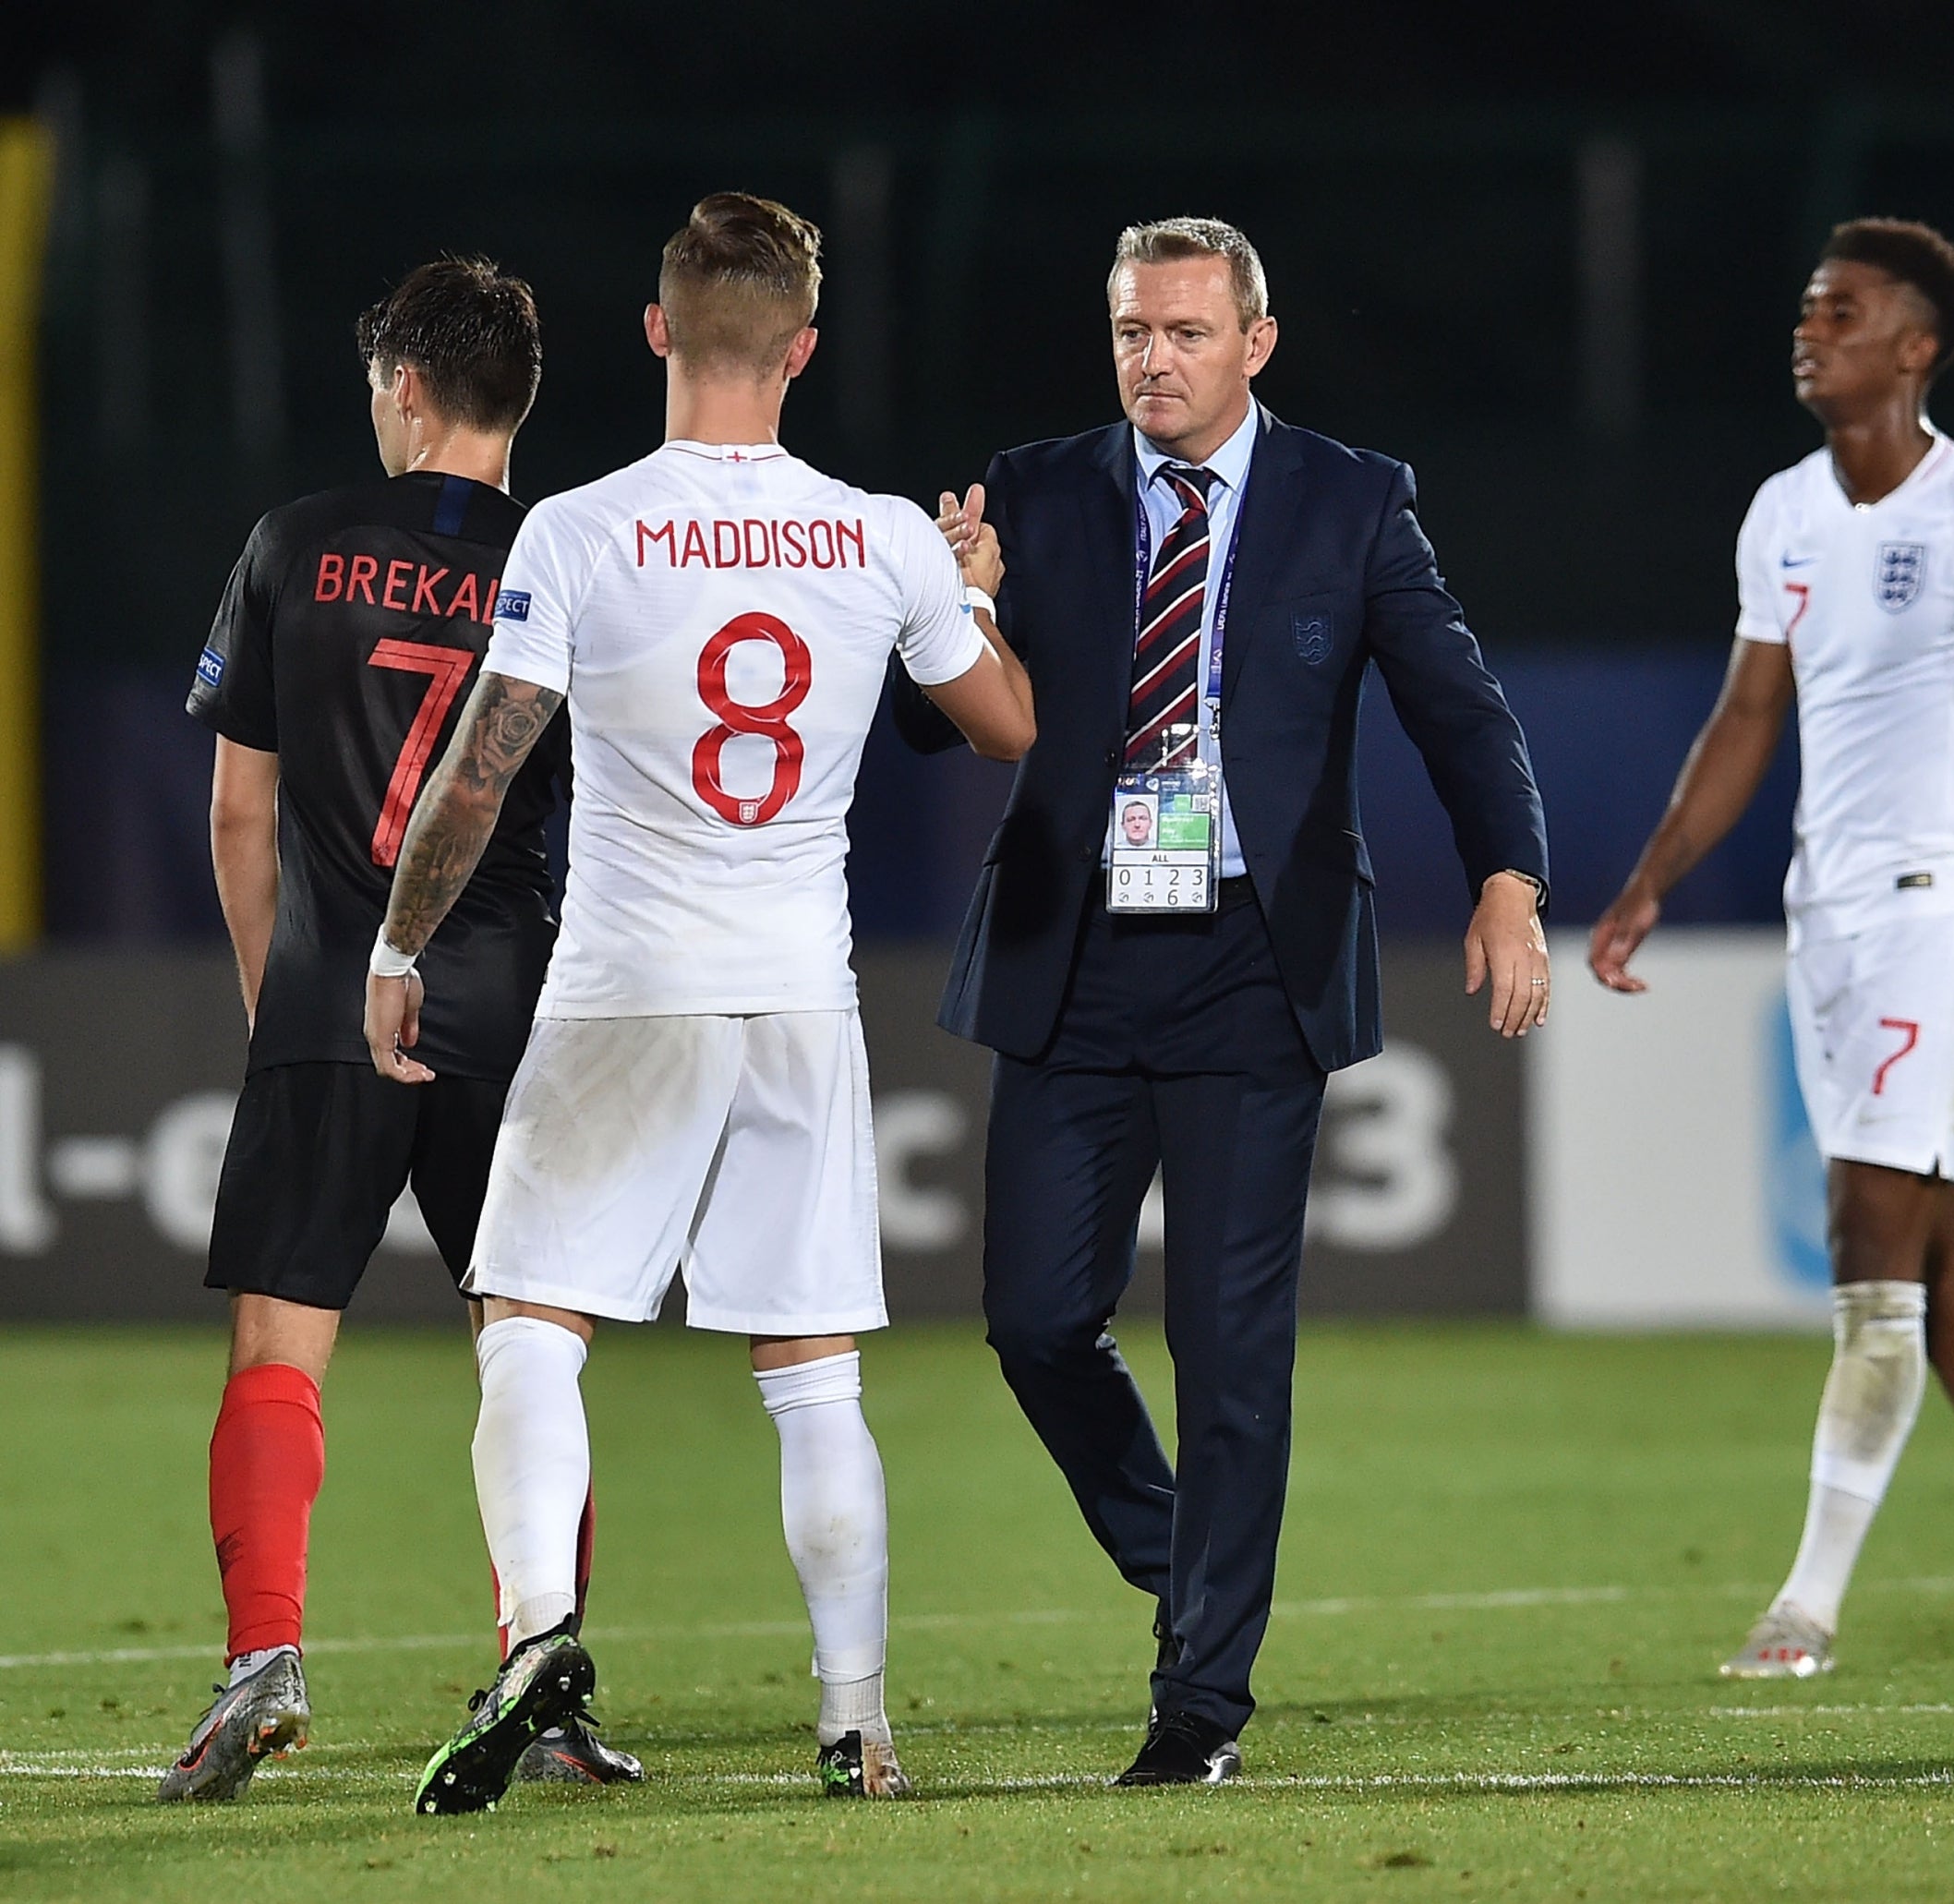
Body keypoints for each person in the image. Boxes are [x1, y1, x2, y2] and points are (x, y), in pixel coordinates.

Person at [365, 193, 1035, 1814]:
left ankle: (539, 1637)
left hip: (623, 989)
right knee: (814, 1374)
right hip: (797, 993)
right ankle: (857, 1721)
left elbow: (484, 764)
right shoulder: (880, 534)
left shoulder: (579, 529)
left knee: (530, 1323)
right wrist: (976, 593)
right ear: (802, 349)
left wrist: (398, 945)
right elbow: (1008, 724)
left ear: (660, 330)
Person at [898, 217, 1550, 1783]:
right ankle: (1190, 1556)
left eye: (1187, 332)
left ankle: (1201, 1696)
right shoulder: (1035, 491)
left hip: (1257, 959)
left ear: (1256, 343)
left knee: (1230, 1344)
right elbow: (932, 729)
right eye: (1134, 330)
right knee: (1035, 1318)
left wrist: (1510, 879)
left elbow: (1459, 708)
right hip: (1075, 951)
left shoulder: (1352, 498)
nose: (1155, 360)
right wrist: (952, 605)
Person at [1588, 219, 1954, 1679]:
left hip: (1937, 910)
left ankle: (1805, 1610)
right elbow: (1747, 716)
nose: (1810, 330)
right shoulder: (1784, 510)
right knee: (1936, 1257)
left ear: (1915, 348)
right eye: (1807, 309)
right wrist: (1652, 880)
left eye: (1840, 312)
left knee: (1869, 1245)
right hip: (1830, 915)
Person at [164, 259, 640, 1801]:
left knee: (280, 1342)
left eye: (380, 382)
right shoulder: (571, 561)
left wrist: (286, 1006)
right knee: (529, 1352)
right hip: (508, 1012)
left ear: (410, 388)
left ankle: (264, 1657)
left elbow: (240, 814)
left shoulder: (292, 544)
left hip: (328, 999)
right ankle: (543, 1680)